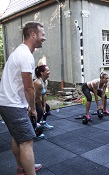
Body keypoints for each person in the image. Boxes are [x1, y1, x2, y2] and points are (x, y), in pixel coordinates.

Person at [0, 21, 46, 175]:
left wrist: (25, 104)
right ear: (33, 35)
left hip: (8, 102)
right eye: (42, 34)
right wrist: (33, 108)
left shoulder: (19, 52)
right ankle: (29, 171)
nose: (44, 38)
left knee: (18, 137)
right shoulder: (26, 55)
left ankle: (22, 168)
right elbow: (29, 87)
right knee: (26, 141)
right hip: (11, 104)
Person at [34, 64, 53, 133]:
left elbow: (44, 94)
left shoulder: (46, 81)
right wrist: (41, 107)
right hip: (30, 101)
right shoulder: (38, 83)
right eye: (47, 70)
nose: (49, 72)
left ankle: (43, 123)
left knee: (47, 108)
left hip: (37, 99)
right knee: (40, 111)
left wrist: (44, 106)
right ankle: (35, 127)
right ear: (42, 73)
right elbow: (37, 98)